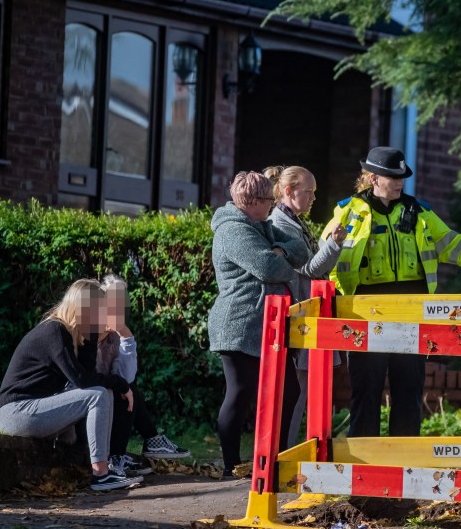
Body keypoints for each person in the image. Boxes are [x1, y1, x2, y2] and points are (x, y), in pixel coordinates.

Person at [322, 146, 461, 438]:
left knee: (409, 387)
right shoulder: (348, 213)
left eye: (401, 176)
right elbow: (327, 259)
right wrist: (341, 302)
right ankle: (362, 464)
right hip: (367, 312)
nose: (399, 182)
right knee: (366, 388)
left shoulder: (418, 212)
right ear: (373, 178)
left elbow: (454, 245)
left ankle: (404, 460)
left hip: (412, 311)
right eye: (392, 177)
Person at [0, 279, 144, 491]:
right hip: (18, 413)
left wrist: (92, 335)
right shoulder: (54, 331)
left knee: (103, 392)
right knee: (99, 394)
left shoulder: (73, 334)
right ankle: (101, 474)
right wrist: (121, 384)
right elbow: (82, 380)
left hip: (35, 409)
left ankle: (106, 466)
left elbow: (88, 377)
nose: (104, 315)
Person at [208, 171, 307, 477]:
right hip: (239, 325)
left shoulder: (260, 226)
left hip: (268, 326)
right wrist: (278, 257)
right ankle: (231, 465)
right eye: (268, 199)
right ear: (252, 202)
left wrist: (282, 252)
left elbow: (301, 249)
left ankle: (273, 460)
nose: (273, 205)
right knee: (240, 394)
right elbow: (270, 269)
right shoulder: (233, 231)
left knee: (289, 391)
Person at [264, 165, 347, 448]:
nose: (313, 198)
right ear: (288, 191)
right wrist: (335, 244)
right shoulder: (283, 223)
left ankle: (286, 450)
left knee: (301, 392)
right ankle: (282, 453)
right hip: (300, 313)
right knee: (297, 394)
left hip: (306, 312)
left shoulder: (293, 220)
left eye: (314, 192)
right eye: (308, 192)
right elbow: (310, 269)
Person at [99, 275, 190, 478]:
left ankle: (141, 445)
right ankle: (137, 446)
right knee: (125, 390)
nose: (117, 307)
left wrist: (125, 333)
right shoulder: (90, 330)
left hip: (103, 394)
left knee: (128, 388)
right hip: (88, 396)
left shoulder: (114, 335)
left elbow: (126, 375)